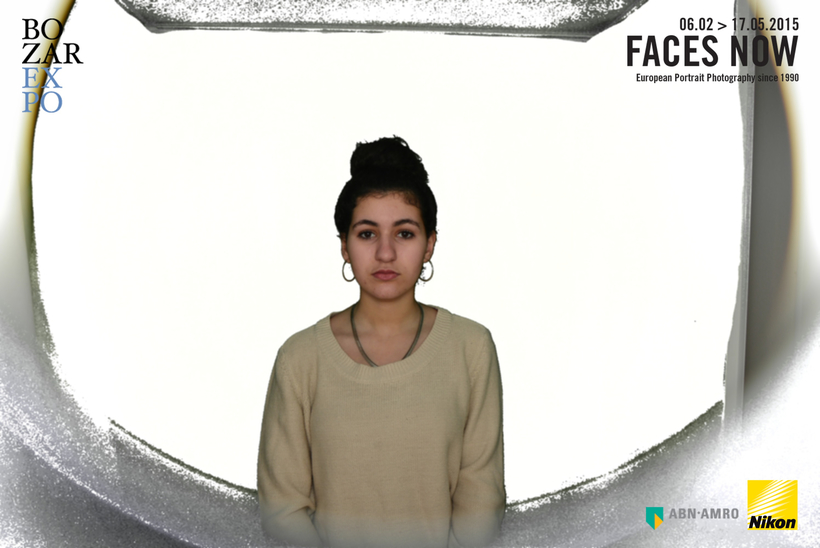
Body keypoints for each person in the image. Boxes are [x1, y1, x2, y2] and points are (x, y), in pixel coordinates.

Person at [257, 136, 505, 548]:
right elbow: (282, 509)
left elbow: (482, 498)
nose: (386, 253)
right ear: (344, 245)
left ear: (430, 244)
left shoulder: (471, 348)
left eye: (404, 233)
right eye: (367, 234)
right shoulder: (300, 359)